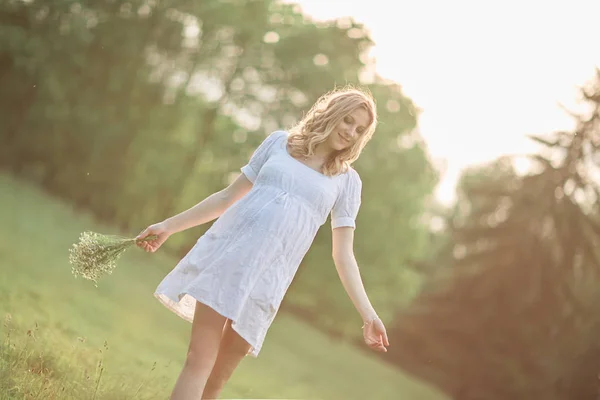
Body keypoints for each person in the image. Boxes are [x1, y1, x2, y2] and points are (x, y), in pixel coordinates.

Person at [136, 86, 390, 400]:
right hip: (228, 259)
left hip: (269, 280)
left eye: (360, 129)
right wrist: (168, 226)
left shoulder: (347, 181)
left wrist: (369, 315)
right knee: (199, 361)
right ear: (331, 114)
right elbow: (227, 197)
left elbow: (343, 255)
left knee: (217, 380)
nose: (351, 131)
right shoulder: (279, 143)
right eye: (347, 120)